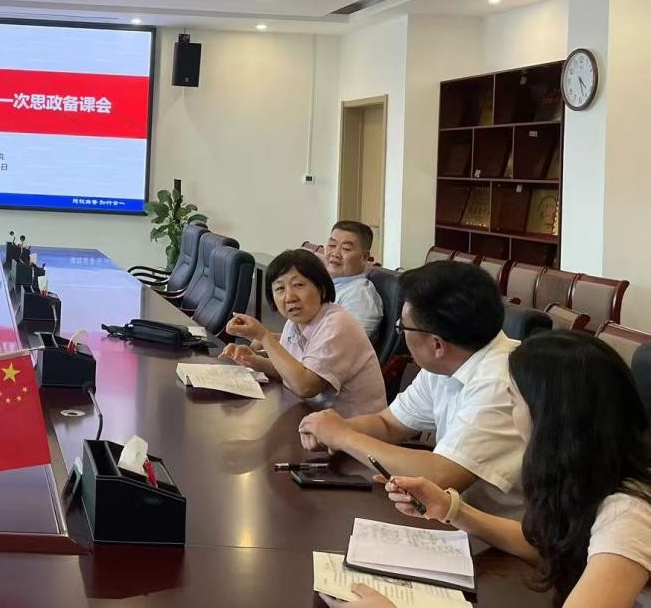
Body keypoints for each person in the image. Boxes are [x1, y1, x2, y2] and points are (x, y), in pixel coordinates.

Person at [348, 331, 651, 608]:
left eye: (514, 400)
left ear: (548, 419)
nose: (510, 411)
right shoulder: (586, 475)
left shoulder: (627, 513)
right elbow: (546, 546)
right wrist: (451, 509)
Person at [297, 260, 526, 517]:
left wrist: (344, 437)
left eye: (402, 327)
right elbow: (389, 424)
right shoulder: (449, 360)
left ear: (436, 345)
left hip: (500, 532)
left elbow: (442, 475)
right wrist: (328, 429)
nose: (400, 333)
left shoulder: (500, 381)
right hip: (456, 516)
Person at [220, 249, 387, 416]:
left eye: (298, 285)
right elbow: (288, 373)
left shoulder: (337, 324)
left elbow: (305, 386)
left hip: (352, 427)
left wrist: (264, 336)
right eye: (280, 288)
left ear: (321, 288)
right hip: (312, 418)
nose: (289, 297)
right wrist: (252, 360)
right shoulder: (295, 323)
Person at [325, 220, 382, 343]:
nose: (335, 254)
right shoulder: (328, 285)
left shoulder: (360, 297)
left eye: (346, 248)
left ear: (364, 257)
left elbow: (346, 346)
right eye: (332, 245)